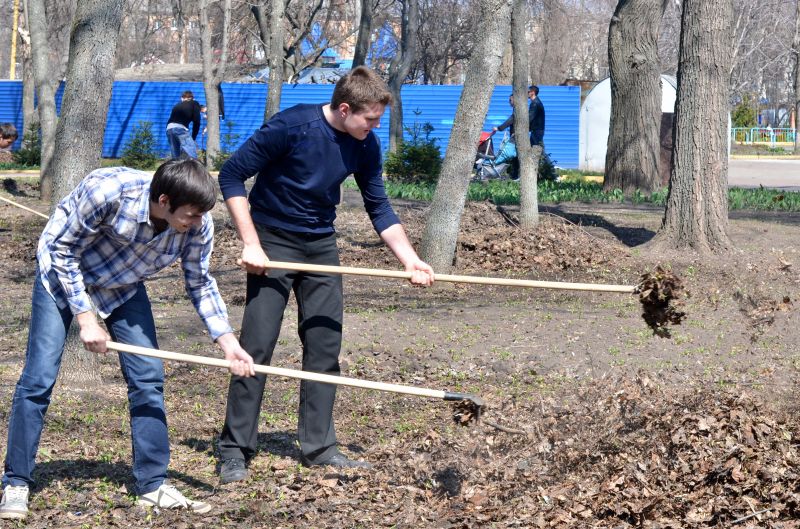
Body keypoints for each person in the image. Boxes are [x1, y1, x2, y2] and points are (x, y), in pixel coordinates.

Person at [0, 159, 255, 520]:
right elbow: (62, 251)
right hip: (61, 274)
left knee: (148, 377)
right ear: (164, 201)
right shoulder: (107, 192)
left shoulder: (198, 225)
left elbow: (199, 282)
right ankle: (16, 481)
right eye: (192, 214)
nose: (198, 222)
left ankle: (152, 484)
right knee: (38, 379)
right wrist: (86, 319)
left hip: (122, 284)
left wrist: (228, 342)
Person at [215, 65, 434, 483]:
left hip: (320, 244)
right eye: (370, 119)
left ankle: (319, 447)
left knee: (324, 346)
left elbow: (379, 207)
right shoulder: (293, 126)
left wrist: (409, 259)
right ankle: (235, 449)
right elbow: (231, 175)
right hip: (272, 241)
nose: (374, 127)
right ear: (345, 109)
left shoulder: (365, 145)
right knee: (256, 345)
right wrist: (251, 243)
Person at [166, 91, 203, 159]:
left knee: (176, 156)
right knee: (191, 152)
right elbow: (197, 121)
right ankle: (193, 165)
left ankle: (176, 164)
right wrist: (193, 137)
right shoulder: (194, 103)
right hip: (180, 129)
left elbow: (171, 120)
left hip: (169, 129)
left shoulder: (177, 105)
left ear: (181, 98)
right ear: (192, 98)